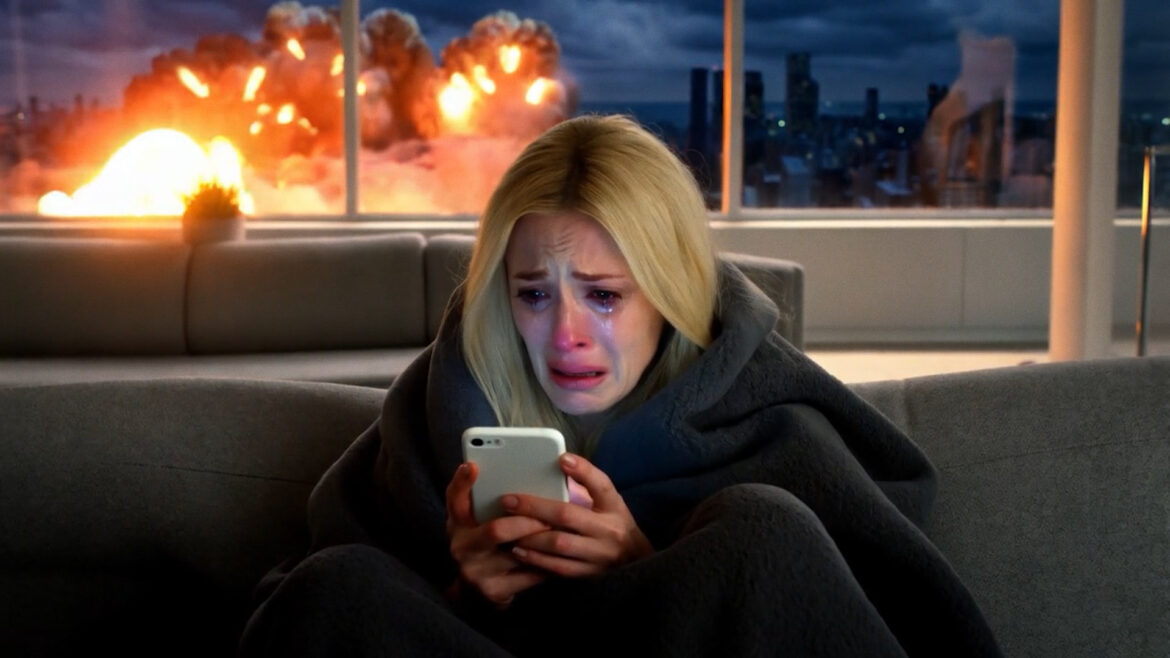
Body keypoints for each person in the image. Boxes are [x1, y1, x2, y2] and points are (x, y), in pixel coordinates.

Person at [239, 114, 1001, 657]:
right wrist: (465, 591)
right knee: (341, 585)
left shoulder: (771, 419)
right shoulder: (435, 410)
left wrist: (648, 568)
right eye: (535, 294)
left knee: (761, 526)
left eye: (604, 296)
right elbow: (302, 611)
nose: (566, 333)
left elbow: (886, 617)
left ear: (668, 294)